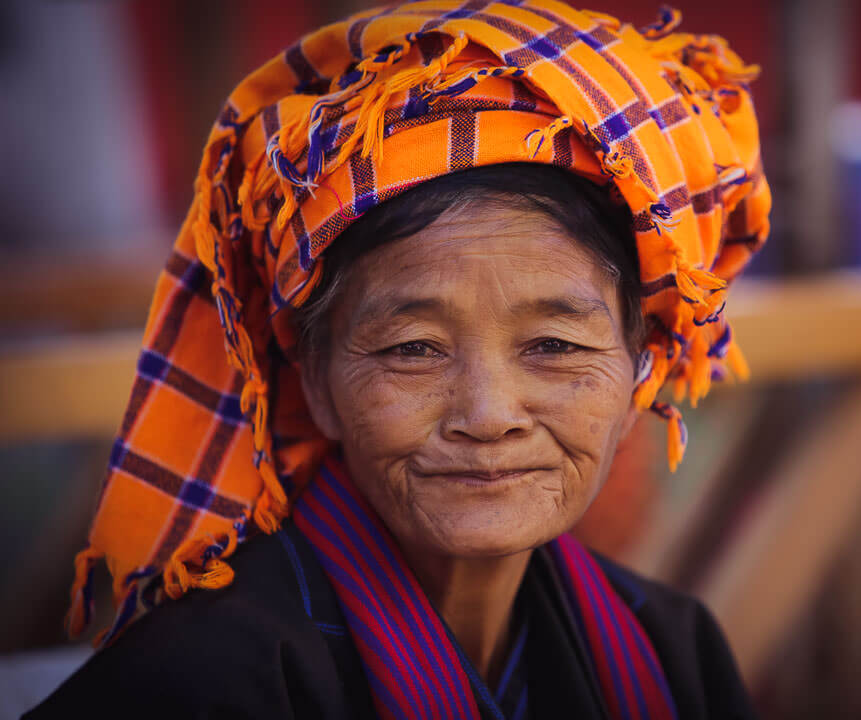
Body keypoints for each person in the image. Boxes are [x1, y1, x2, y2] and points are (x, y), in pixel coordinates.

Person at [28, 1, 770, 718]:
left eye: (554, 346)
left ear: (641, 367)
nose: (487, 416)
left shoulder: (671, 653)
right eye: (413, 350)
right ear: (314, 379)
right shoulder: (206, 683)